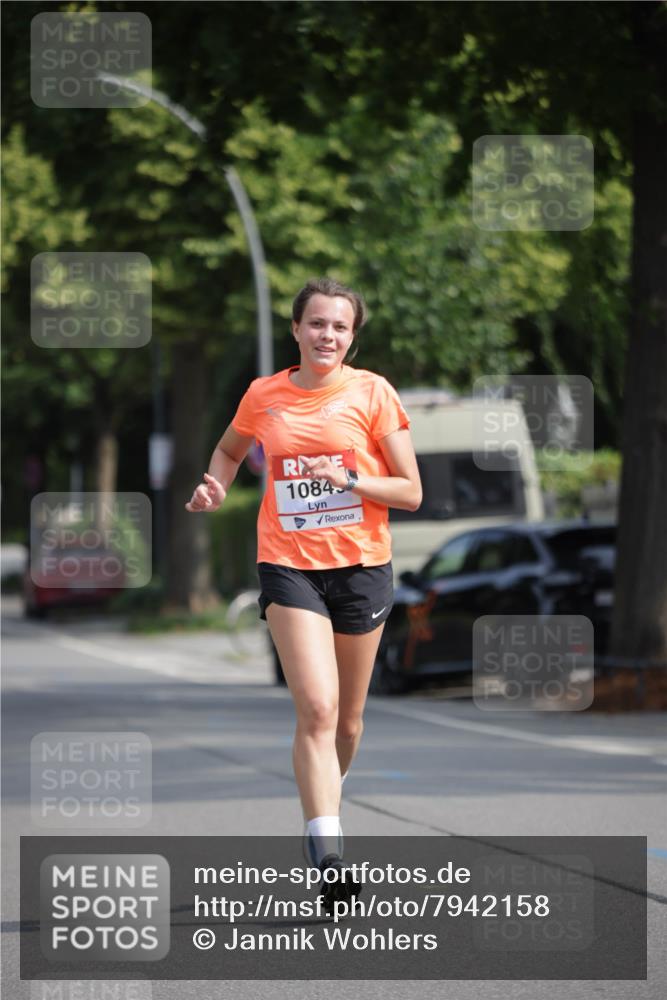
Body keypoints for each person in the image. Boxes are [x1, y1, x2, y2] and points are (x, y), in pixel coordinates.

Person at [185, 277, 422, 909]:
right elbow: (229, 449)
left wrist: (350, 478)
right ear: (295, 329)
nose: (328, 336)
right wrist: (215, 484)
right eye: (317, 323)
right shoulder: (264, 394)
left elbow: (410, 491)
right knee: (316, 709)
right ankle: (330, 850)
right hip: (288, 565)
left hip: (362, 567)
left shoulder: (373, 393)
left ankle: (322, 811)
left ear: (352, 336)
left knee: (347, 722)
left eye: (340, 327)